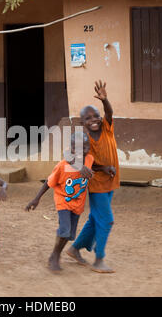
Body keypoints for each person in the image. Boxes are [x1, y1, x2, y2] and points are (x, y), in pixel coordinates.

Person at [66, 80, 120, 273]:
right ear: (82, 123)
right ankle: (99, 259)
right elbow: (72, 157)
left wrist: (105, 101)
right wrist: (99, 167)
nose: (94, 119)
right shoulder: (83, 139)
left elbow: (110, 113)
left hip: (110, 180)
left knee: (95, 219)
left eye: (96, 115)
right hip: (96, 184)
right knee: (106, 220)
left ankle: (74, 249)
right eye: (88, 118)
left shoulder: (107, 127)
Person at [25, 132, 94, 272]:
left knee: (68, 235)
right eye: (76, 148)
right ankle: (54, 256)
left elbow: (95, 167)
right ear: (71, 148)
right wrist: (36, 198)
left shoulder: (90, 159)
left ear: (89, 148)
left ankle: (56, 254)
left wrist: (106, 168)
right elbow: (48, 182)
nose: (80, 151)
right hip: (63, 201)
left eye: (84, 148)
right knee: (64, 230)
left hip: (78, 204)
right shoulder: (62, 165)